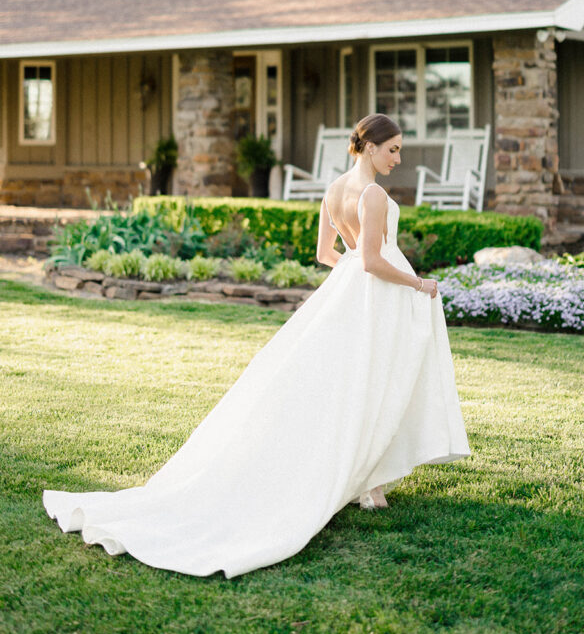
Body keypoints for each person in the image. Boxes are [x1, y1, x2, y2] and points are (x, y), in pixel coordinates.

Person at [43, 113, 470, 578]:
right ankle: (367, 482)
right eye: (393, 150)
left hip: (349, 295)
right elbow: (370, 261)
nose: (398, 158)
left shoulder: (333, 192)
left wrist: (348, 282)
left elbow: (329, 255)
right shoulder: (372, 195)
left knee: (357, 382)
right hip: (378, 294)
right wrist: (417, 282)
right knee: (376, 381)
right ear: (370, 148)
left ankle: (370, 483)